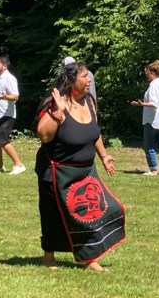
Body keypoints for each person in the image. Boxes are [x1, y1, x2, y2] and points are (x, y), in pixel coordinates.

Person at [35, 61, 124, 270]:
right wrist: (58, 114)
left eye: (88, 76)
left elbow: (94, 131)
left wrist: (103, 156)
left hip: (86, 171)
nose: (89, 79)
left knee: (93, 211)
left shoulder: (89, 101)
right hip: (57, 171)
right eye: (84, 76)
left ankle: (89, 257)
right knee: (53, 215)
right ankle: (49, 256)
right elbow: (43, 135)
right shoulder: (55, 102)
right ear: (69, 80)